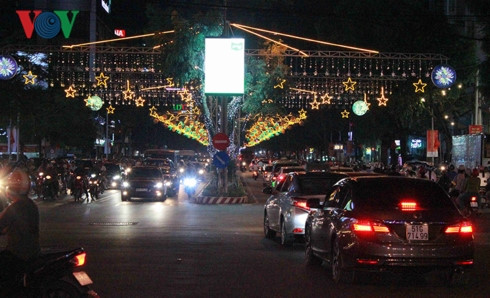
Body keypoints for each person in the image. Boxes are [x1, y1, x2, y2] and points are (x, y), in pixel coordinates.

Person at [0, 168, 40, 289]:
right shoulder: (30, 204)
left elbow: (2, 222)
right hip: (32, 250)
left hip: (19, 252)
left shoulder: (16, 206)